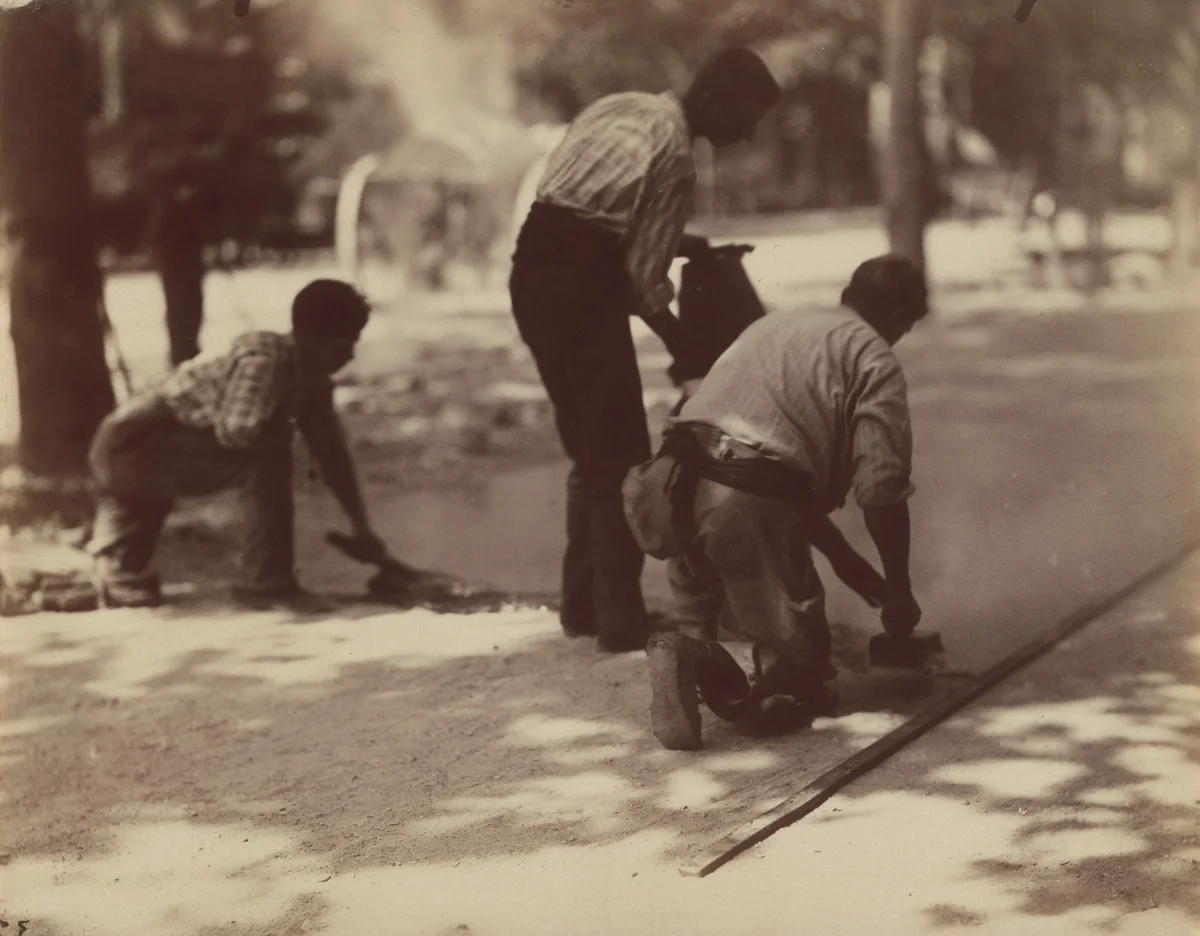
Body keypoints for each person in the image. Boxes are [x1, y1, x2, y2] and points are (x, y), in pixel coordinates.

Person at [509, 47, 782, 653]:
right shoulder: (678, 160)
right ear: (715, 103)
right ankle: (620, 620)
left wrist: (680, 242)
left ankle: (583, 607)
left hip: (531, 277)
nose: (746, 135)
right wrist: (692, 351)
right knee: (620, 457)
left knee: (589, 450)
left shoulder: (622, 106)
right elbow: (640, 281)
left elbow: (584, 212)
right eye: (747, 117)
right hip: (583, 294)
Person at [638, 254, 929, 750]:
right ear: (901, 318)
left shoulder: (777, 323)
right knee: (805, 681)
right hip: (738, 505)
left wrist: (848, 564)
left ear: (849, 294)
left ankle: (697, 649)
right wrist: (899, 589)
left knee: (719, 600)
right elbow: (880, 489)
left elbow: (773, 470)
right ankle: (698, 657)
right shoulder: (873, 357)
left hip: (669, 486)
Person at [86, 279, 389, 611]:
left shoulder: (310, 379)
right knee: (266, 455)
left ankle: (115, 569)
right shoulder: (266, 360)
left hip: (143, 450)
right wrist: (282, 434)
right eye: (343, 345)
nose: (350, 356)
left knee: (126, 576)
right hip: (129, 446)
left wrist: (362, 527)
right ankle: (266, 582)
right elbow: (235, 433)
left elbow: (332, 455)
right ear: (311, 338)